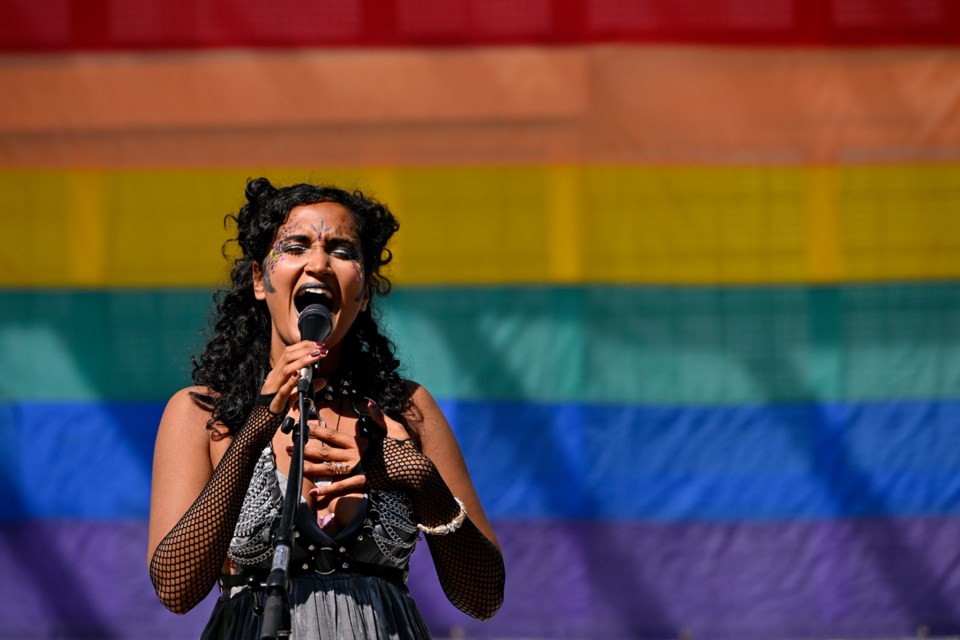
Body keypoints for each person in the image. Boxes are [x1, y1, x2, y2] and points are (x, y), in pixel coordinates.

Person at [147, 177, 505, 639]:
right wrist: (257, 425)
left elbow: (483, 598)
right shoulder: (201, 413)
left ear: (364, 292)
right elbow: (175, 589)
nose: (318, 263)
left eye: (341, 250)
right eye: (295, 247)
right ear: (260, 279)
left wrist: (421, 481)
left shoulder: (406, 410)